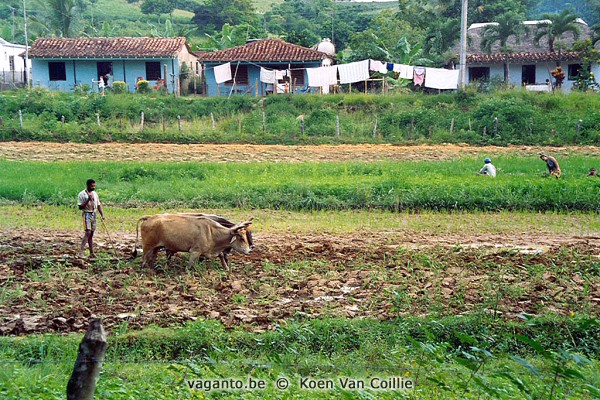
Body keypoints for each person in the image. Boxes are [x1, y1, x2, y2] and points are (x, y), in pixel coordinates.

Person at [77, 179, 105, 258]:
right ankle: (81, 252)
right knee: (87, 232)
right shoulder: (82, 194)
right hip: (86, 214)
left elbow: (98, 205)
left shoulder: (95, 194)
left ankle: (91, 253)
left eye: (94, 186)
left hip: (94, 214)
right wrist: (88, 199)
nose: (94, 187)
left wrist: (102, 214)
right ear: (88, 185)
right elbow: (80, 207)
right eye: (92, 186)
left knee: (91, 234)